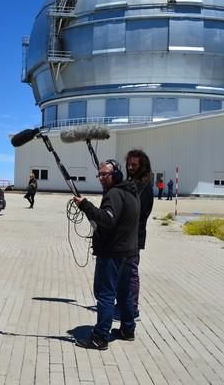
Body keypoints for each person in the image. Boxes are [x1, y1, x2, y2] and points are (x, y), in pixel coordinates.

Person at [72, 159, 140, 350]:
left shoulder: (114, 194)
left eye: (105, 174)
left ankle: (100, 337)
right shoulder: (131, 192)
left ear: (116, 175)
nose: (101, 178)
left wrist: (86, 205)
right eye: (99, 174)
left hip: (113, 253)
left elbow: (108, 220)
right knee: (124, 292)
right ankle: (128, 329)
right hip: (129, 252)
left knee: (105, 294)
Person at [124, 150, 154, 319]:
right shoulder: (130, 182)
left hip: (135, 236)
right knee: (123, 272)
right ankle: (125, 304)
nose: (130, 167)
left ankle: (132, 308)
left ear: (142, 166)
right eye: (129, 164)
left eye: (134, 165)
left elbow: (142, 212)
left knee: (131, 273)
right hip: (125, 236)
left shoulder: (145, 187)